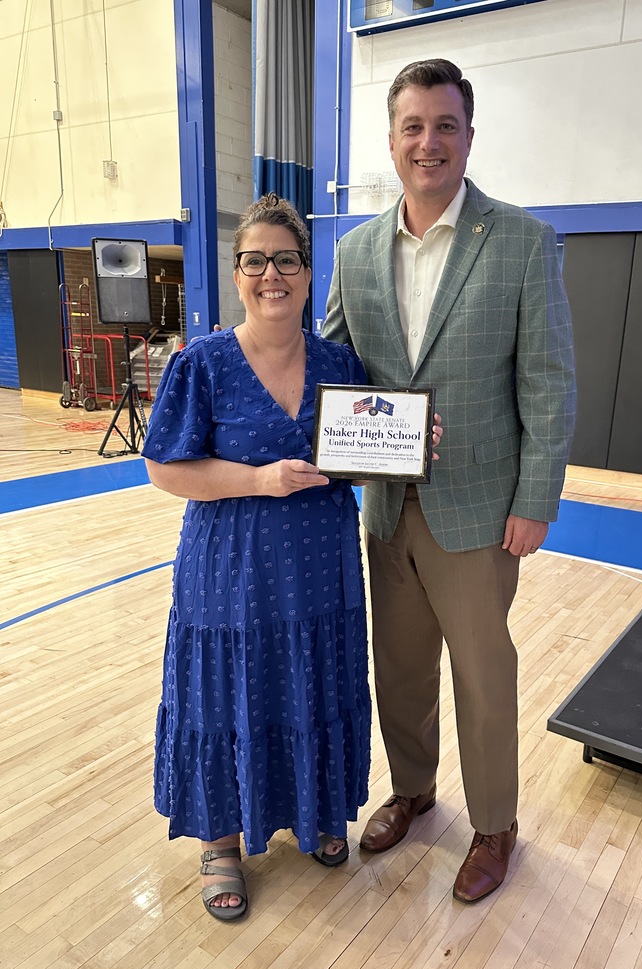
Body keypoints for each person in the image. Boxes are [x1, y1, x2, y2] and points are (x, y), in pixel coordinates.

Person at [323, 59, 576, 903]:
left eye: (445, 126)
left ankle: (496, 826)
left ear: (469, 136)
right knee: (397, 670)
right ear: (392, 140)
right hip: (387, 504)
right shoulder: (354, 251)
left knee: (481, 675)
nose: (428, 142)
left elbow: (547, 381)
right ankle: (414, 789)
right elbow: (330, 368)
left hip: (478, 509)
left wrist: (536, 499)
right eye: (412, 127)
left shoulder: (522, 242)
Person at [143, 193, 372, 921]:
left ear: (308, 273)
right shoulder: (202, 364)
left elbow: (360, 459)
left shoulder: (340, 361)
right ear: (237, 273)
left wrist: (406, 451)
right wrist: (258, 481)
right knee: (225, 694)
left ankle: (315, 813)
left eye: (287, 260)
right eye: (255, 261)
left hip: (318, 569)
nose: (271, 275)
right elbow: (165, 470)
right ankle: (219, 840)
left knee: (314, 682)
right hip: (229, 572)